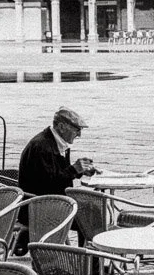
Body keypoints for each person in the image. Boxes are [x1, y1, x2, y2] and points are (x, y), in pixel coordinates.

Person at [14, 106, 96, 253]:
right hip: (39, 207)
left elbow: (58, 176)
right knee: (90, 218)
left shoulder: (57, 142)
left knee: (93, 210)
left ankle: (89, 264)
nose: (79, 134)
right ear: (62, 126)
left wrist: (78, 171)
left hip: (49, 201)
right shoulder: (42, 147)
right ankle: (91, 268)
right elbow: (48, 184)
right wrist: (74, 169)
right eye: (76, 129)